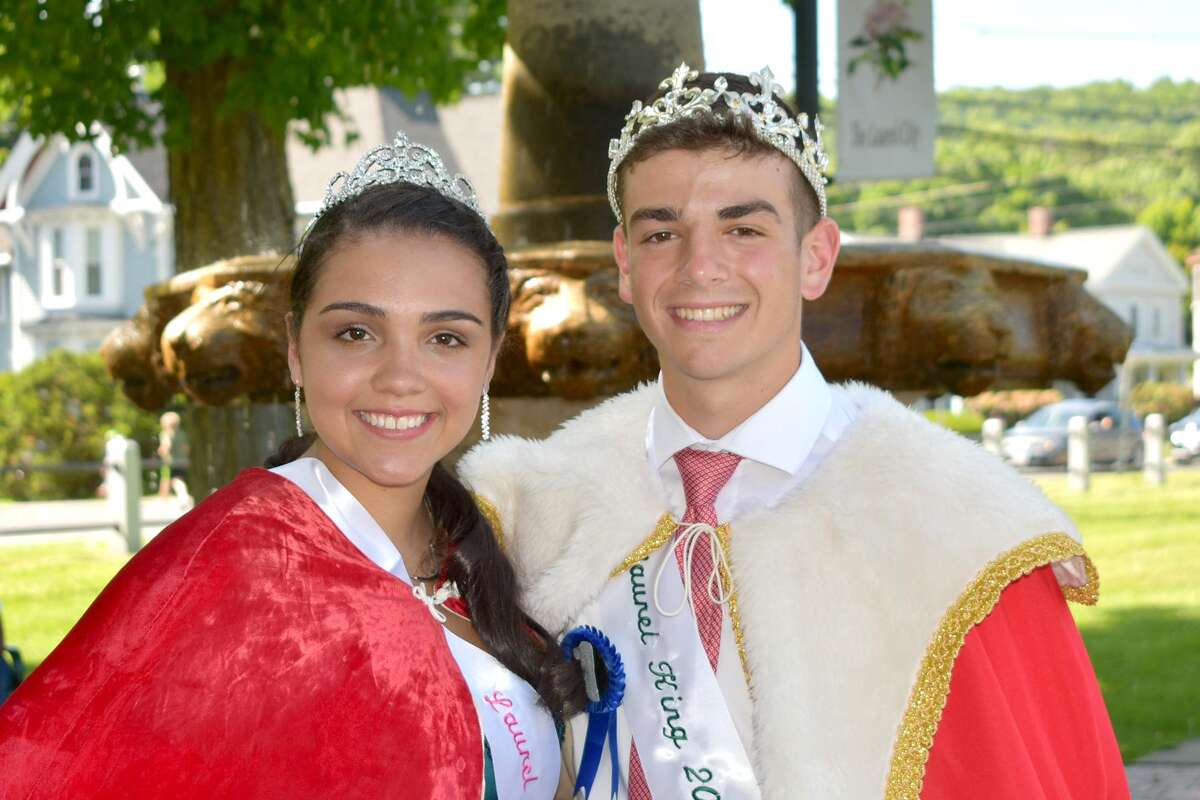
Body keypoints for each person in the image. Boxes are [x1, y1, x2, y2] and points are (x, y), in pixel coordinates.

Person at [460, 65, 1128, 799]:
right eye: (662, 232)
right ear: (624, 265)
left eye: (743, 229)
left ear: (817, 257)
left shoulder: (965, 532)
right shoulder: (533, 510)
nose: (698, 267)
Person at [0, 131, 583, 799]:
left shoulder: (494, 547)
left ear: (490, 360)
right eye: (356, 333)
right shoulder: (222, 573)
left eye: (444, 337)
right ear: (295, 352)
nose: (400, 377)